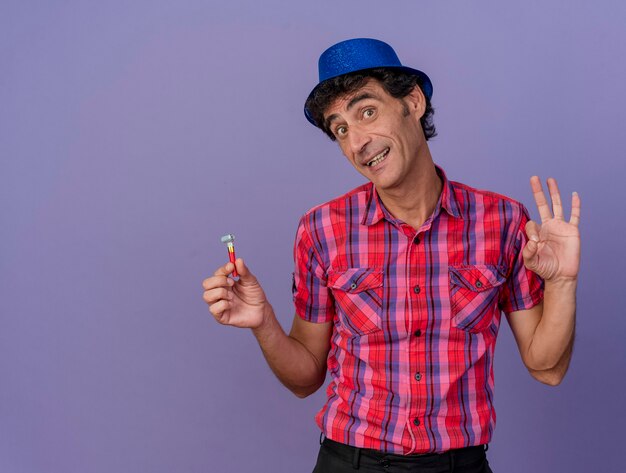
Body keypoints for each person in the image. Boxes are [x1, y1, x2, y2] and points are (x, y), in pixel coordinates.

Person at [202, 38, 580, 472]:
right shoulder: (322, 230)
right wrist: (263, 320)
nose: (358, 141)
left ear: (413, 102)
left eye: (367, 111)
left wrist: (563, 282)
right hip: (350, 463)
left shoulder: (503, 221)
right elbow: (306, 376)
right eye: (340, 129)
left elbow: (547, 367)